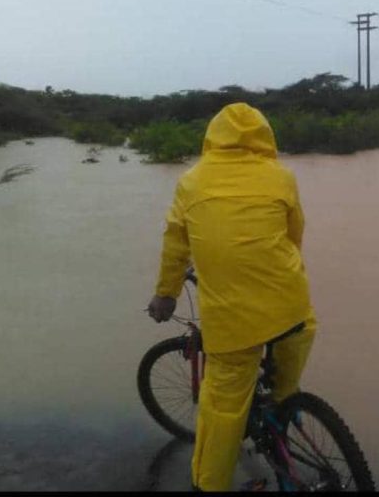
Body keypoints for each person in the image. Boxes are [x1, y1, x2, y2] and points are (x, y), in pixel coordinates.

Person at [147, 102, 317, 491]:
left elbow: (176, 245)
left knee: (222, 409)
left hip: (233, 320)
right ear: (264, 136)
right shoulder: (281, 177)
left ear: (213, 137)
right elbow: (295, 235)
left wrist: (166, 295)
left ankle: (209, 485)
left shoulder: (191, 181)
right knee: (293, 353)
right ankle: (285, 408)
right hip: (292, 307)